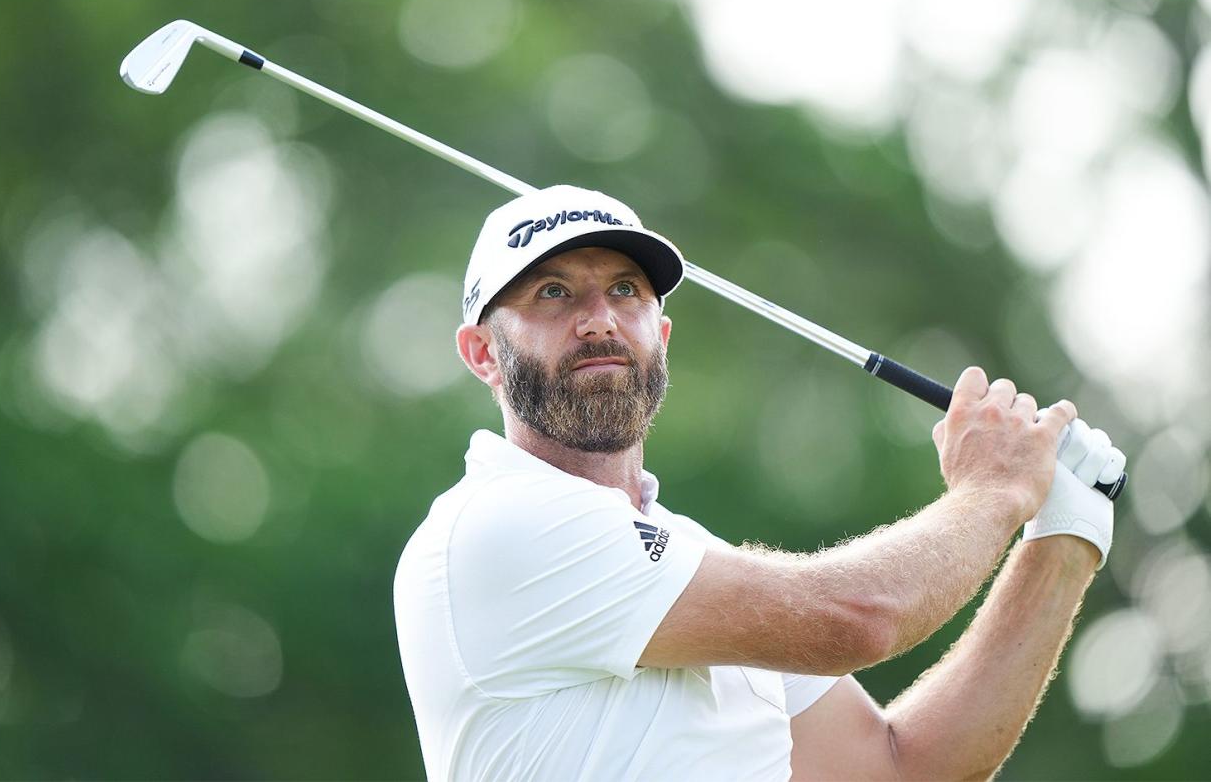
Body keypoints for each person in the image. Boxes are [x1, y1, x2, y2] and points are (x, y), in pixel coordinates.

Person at [394, 185, 1126, 781]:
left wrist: (1064, 536)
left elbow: (902, 768)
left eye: (626, 291)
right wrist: (994, 491)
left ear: (661, 334)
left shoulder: (684, 553)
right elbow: (857, 617)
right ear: (482, 353)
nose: (599, 322)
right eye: (553, 293)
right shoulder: (497, 526)